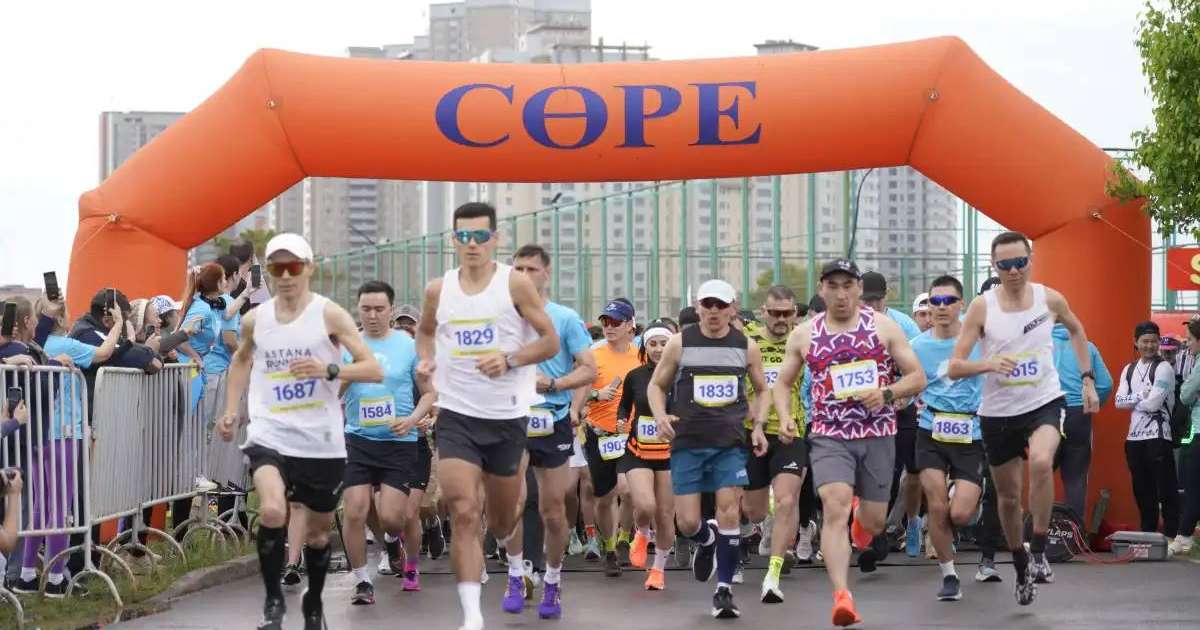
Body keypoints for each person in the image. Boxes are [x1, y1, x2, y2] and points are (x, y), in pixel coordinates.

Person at [216, 233, 383, 630]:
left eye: (294, 267)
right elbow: (240, 361)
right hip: (270, 432)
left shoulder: (330, 315)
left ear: (308, 268)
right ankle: (274, 601)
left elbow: (372, 368)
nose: (286, 275)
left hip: (320, 440)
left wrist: (328, 369)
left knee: (320, 535)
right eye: (277, 268)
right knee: (273, 509)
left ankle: (313, 602)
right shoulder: (256, 319)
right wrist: (230, 410)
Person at [414, 202, 559, 630]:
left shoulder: (514, 285)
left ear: (495, 240)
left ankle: (509, 545)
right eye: (463, 236)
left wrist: (510, 359)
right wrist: (426, 362)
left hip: (507, 418)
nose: (472, 245)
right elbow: (424, 332)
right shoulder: (438, 290)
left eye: (481, 237)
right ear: (453, 240)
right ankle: (472, 615)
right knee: (461, 509)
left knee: (499, 519)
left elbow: (549, 342)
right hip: (457, 413)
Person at [772, 259, 926, 627]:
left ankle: (864, 526)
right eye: (833, 286)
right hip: (829, 434)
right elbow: (782, 383)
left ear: (858, 289)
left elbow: (917, 377)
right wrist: (787, 415)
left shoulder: (884, 327)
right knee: (834, 507)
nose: (840, 294)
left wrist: (887, 393)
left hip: (877, 434)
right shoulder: (805, 334)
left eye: (847, 286)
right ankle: (842, 596)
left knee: (872, 522)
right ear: (822, 289)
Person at [949, 230, 1099, 607]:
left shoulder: (1049, 298)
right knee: (1010, 498)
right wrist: (987, 363)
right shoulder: (983, 307)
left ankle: (1040, 549)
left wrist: (1086, 379)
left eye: (1020, 263)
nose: (1014, 271)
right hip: (998, 412)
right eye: (1005, 265)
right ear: (993, 265)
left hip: (1044, 400)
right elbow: (954, 366)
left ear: (1030, 261)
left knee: (1044, 461)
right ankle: (1019, 563)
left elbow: (1079, 331)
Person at [648, 278, 771, 619]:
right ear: (698, 307)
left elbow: (763, 390)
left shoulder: (746, 346)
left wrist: (758, 425)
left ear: (733, 307)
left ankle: (724, 591)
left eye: (721, 305)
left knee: (729, 510)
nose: (714, 311)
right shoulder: (679, 343)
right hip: (687, 441)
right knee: (686, 522)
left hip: (729, 442)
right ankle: (705, 539)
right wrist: (660, 417)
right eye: (708, 304)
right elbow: (656, 387)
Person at [505, 244, 596, 618]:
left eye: (531, 269)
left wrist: (555, 385)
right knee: (511, 502)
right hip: (510, 420)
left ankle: (554, 581)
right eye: (517, 269)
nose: (524, 276)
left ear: (547, 274)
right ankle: (514, 574)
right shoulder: (500, 318)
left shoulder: (565, 317)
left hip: (553, 420)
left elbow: (589, 370)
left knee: (553, 510)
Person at [341, 280, 434, 605]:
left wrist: (412, 420)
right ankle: (362, 581)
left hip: (399, 442)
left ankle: (394, 543)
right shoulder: (348, 346)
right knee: (354, 510)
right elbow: (334, 393)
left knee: (394, 517)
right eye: (366, 308)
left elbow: (429, 393)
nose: (372, 315)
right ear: (358, 309)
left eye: (379, 309)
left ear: (390, 311)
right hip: (358, 439)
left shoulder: (408, 347)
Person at [911, 276, 985, 602]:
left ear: (961, 305)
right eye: (934, 302)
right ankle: (949, 574)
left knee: (960, 515)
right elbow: (903, 381)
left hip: (972, 433)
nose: (940, 308)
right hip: (931, 431)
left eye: (947, 301)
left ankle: (971, 500)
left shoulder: (982, 342)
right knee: (938, 507)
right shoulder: (917, 346)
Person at [742, 286, 807, 604]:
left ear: (795, 313)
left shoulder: (804, 340)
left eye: (788, 313)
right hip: (751, 431)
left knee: (786, 500)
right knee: (753, 510)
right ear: (763, 312)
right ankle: (745, 534)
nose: (782, 319)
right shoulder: (747, 339)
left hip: (791, 431)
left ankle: (774, 572)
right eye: (775, 313)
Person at [571, 299, 641, 577]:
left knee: (629, 490)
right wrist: (593, 397)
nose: (609, 327)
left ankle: (625, 537)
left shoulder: (641, 356)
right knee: (604, 497)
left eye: (615, 322)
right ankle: (610, 547)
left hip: (632, 435)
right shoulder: (594, 356)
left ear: (629, 325)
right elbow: (577, 392)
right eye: (605, 322)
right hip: (599, 433)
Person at [861, 271, 924, 558]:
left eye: (876, 300)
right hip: (866, 413)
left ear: (886, 296)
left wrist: (903, 396)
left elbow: (917, 371)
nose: (871, 306)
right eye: (866, 300)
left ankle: (910, 521)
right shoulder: (850, 325)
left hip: (902, 408)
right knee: (878, 472)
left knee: (910, 471)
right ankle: (878, 533)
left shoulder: (904, 326)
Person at [615, 324, 675, 590]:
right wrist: (620, 420)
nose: (658, 349)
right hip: (638, 451)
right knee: (645, 506)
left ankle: (658, 570)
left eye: (664, 344)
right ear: (645, 347)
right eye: (653, 344)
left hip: (671, 454)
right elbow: (625, 405)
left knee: (665, 514)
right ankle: (641, 532)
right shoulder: (636, 376)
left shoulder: (682, 375)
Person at [1115, 321, 1179, 542]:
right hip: (1134, 438)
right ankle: (1148, 533)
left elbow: (1154, 405)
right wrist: (1141, 395)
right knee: (1142, 489)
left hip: (1159, 436)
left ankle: (1171, 535)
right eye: (1145, 341)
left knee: (1165, 487)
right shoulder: (1129, 369)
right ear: (1136, 342)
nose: (1150, 346)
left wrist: (1134, 400)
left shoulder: (1164, 368)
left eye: (1153, 341)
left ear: (1159, 342)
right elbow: (1118, 402)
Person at [1052, 321, 1113, 521]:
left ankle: (1038, 533)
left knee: (1040, 475)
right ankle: (1074, 533)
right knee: (1075, 478)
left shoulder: (1039, 346)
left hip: (1046, 413)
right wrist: (1089, 405)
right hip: (1078, 414)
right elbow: (1105, 384)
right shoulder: (1087, 347)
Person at [1173, 318, 1200, 555]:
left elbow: (1186, 394)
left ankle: (1183, 536)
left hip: (1198, 433)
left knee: (1192, 484)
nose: (1187, 344)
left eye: (1190, 339)